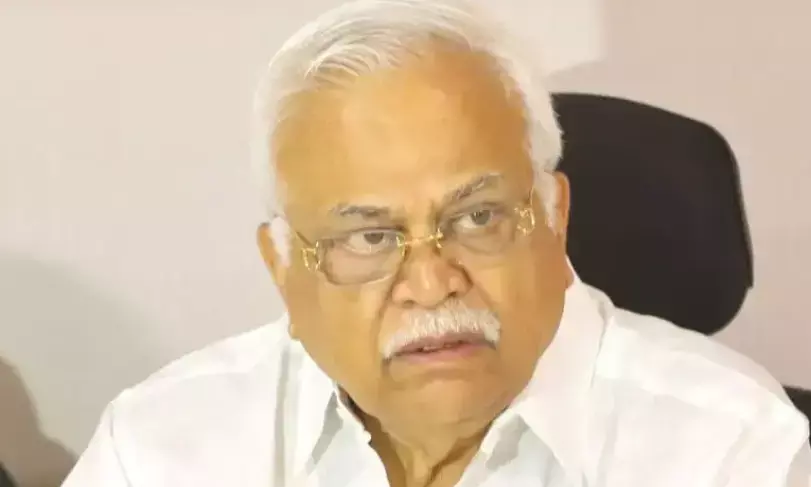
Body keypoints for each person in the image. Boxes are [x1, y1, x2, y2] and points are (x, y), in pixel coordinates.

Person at [63, 0, 811, 486]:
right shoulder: (160, 445)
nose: (430, 283)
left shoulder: (731, 450)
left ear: (554, 215)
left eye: (477, 217)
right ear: (283, 267)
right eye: (369, 236)